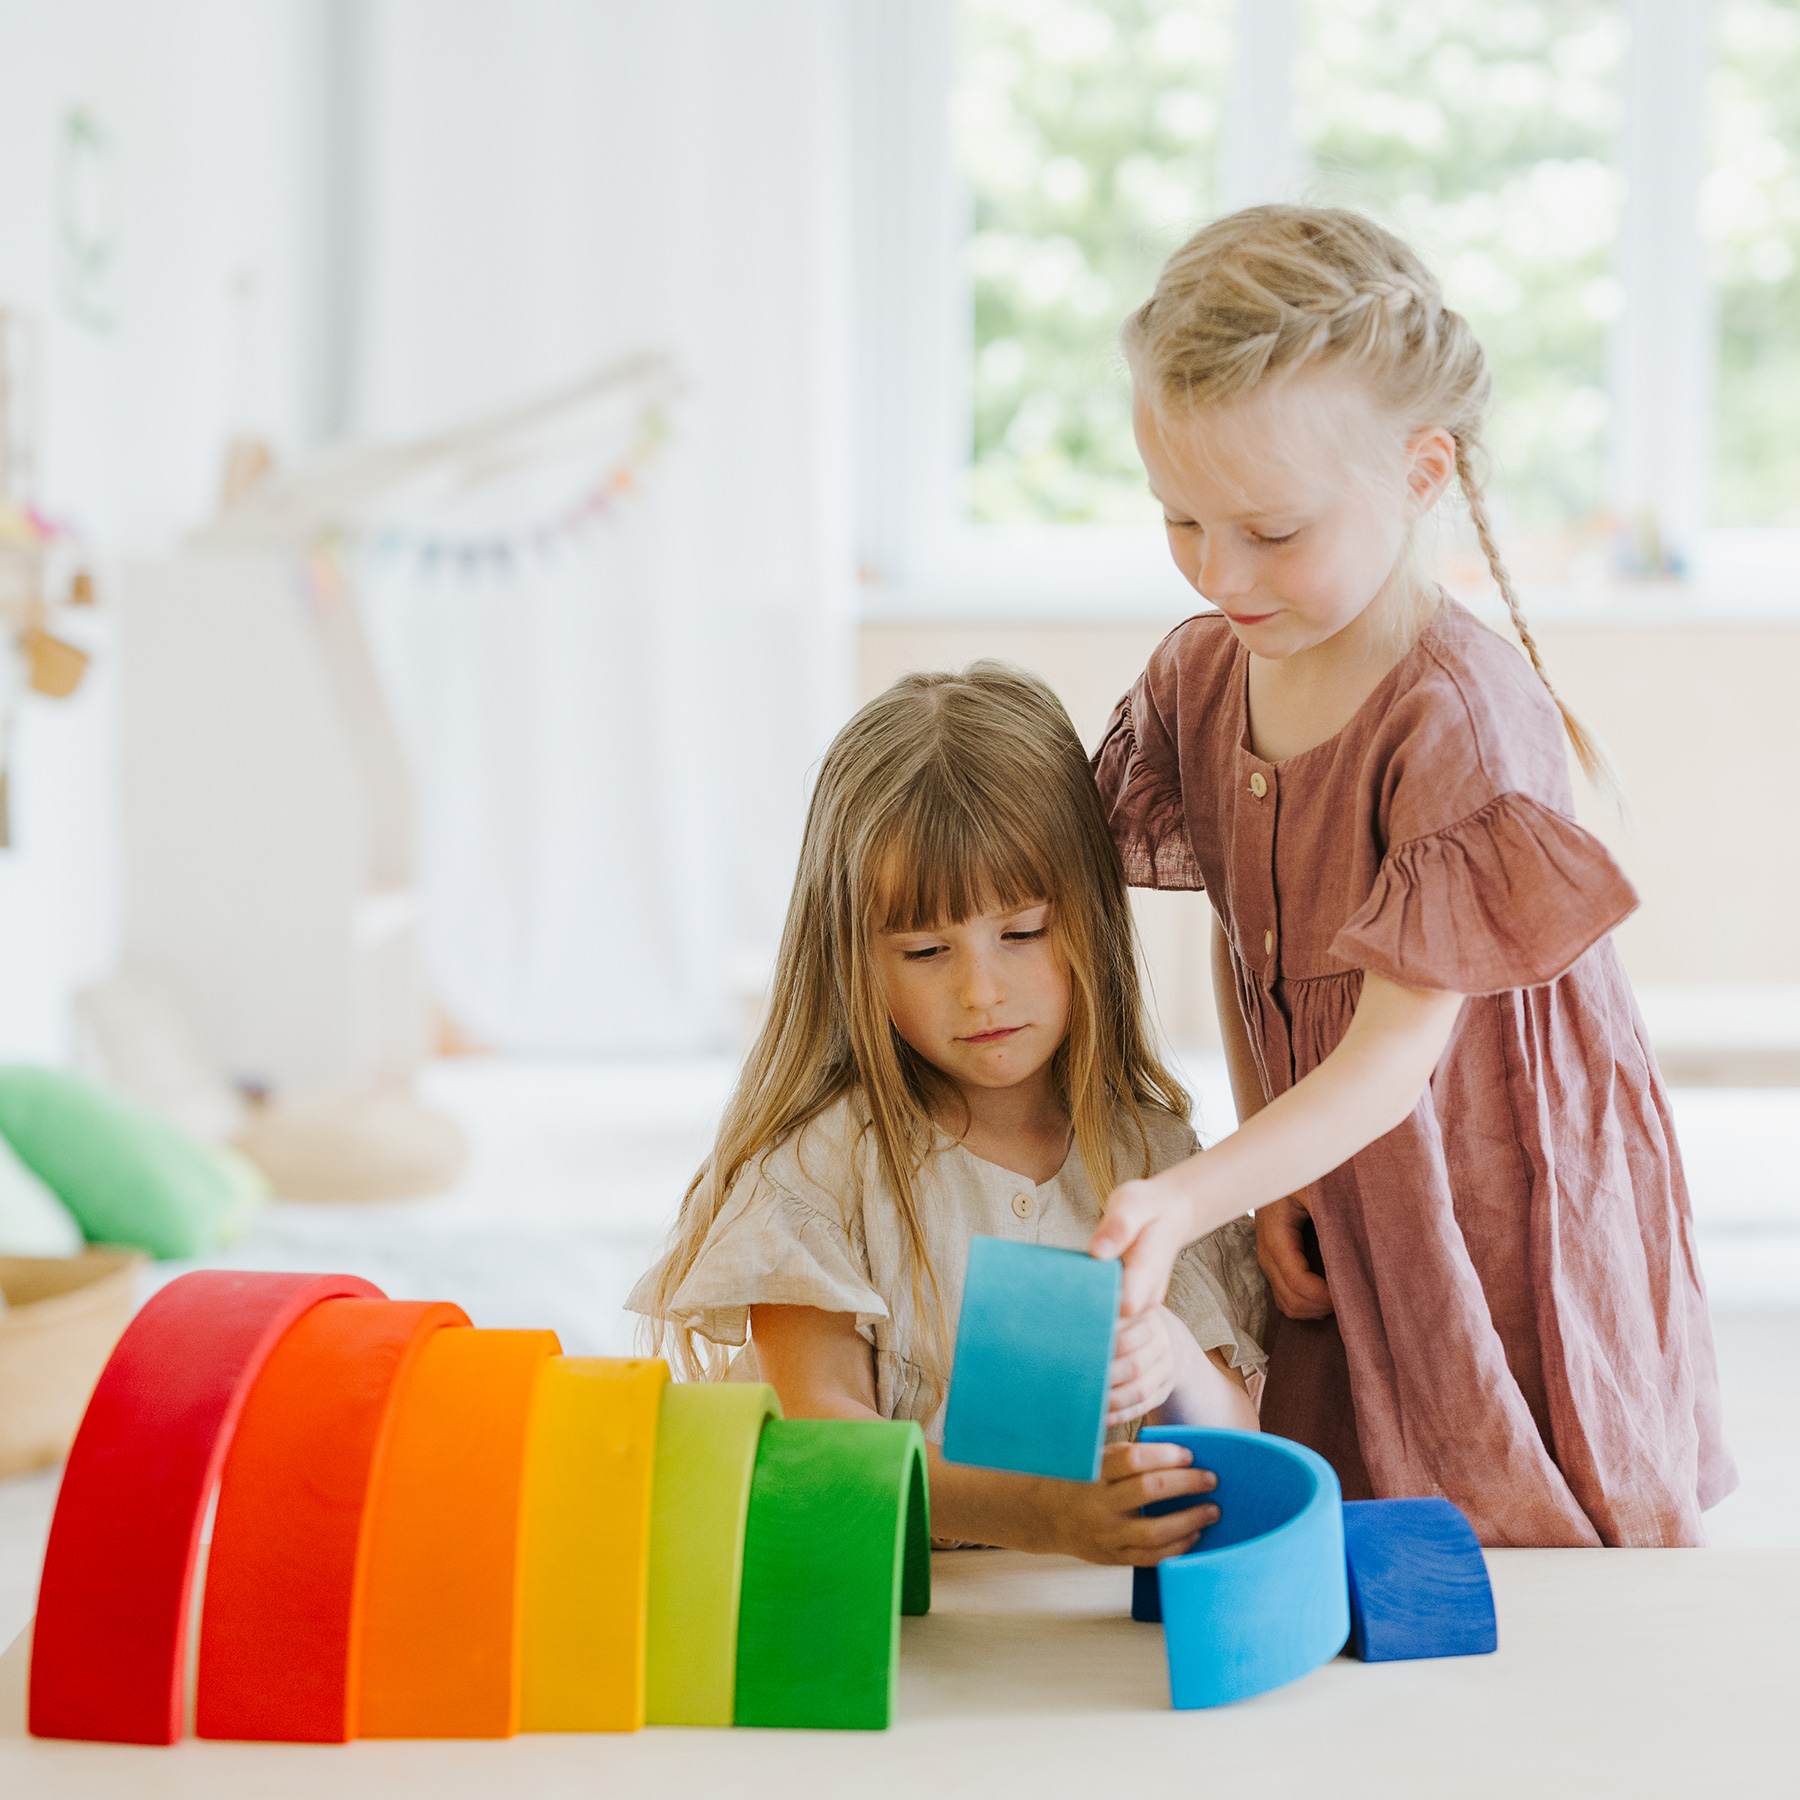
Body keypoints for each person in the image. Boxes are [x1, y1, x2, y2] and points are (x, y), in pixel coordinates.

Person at [1084, 204, 1735, 1547]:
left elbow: (1394, 1060)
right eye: (1181, 520)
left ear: (1422, 469)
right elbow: (1242, 928)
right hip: (1337, 1154)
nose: (1219, 573)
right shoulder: (1205, 675)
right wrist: (1270, 1168)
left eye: (1268, 530)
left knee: (1517, 1488)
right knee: (1359, 1493)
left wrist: (1193, 1191)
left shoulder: (1454, 717)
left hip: (1492, 1173)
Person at [631, 663, 1265, 1564]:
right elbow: (823, 1442)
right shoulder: (818, 1173)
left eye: (1023, 932)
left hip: (1095, 1647)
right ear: (853, 956)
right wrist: (1042, 1516)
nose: (981, 991)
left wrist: (1167, 1352)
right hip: (893, 1639)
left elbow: (1247, 1444)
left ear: (1089, 917)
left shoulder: (1156, 1161)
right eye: (926, 950)